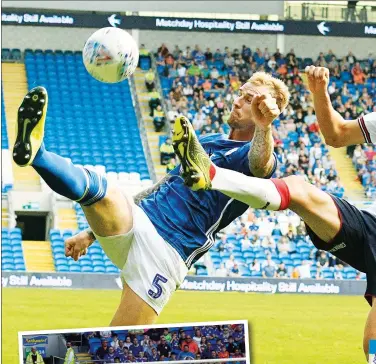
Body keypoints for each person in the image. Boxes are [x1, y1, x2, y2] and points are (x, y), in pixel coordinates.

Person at [177, 37, 376, 359]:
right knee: (298, 189)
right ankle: (211, 175)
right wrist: (319, 92)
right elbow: (336, 134)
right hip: (371, 225)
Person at [14, 72, 289, 326]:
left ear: (263, 111)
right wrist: (89, 234)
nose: (238, 101)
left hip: (167, 251)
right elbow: (161, 185)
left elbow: (261, 164)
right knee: (102, 190)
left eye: (250, 100)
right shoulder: (207, 141)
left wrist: (265, 127)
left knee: (115, 353)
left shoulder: (254, 158)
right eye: (241, 93)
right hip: (140, 218)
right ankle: (38, 154)